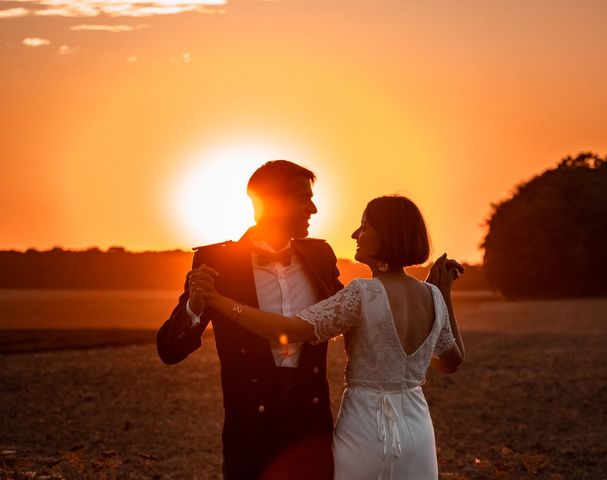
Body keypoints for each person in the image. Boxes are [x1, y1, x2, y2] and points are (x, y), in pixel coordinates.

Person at [195, 195, 465, 480]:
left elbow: (286, 331)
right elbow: (451, 361)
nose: (355, 235)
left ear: (387, 235)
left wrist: (220, 300)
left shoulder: (362, 294)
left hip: (366, 428)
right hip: (418, 429)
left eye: (364, 227)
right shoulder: (433, 296)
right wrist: (445, 294)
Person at [157, 160, 342, 479]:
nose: (312, 209)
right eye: (303, 198)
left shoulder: (321, 256)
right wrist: (195, 307)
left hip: (312, 427)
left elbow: (350, 315)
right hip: (250, 431)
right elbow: (169, 350)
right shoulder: (217, 260)